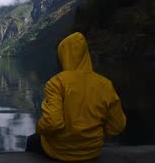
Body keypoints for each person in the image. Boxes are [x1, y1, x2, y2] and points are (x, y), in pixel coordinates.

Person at [26, 32, 126, 161]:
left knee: (32, 140)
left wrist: (39, 128)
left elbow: (52, 123)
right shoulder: (105, 84)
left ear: (63, 55)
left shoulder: (57, 82)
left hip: (59, 152)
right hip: (92, 151)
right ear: (86, 54)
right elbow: (117, 125)